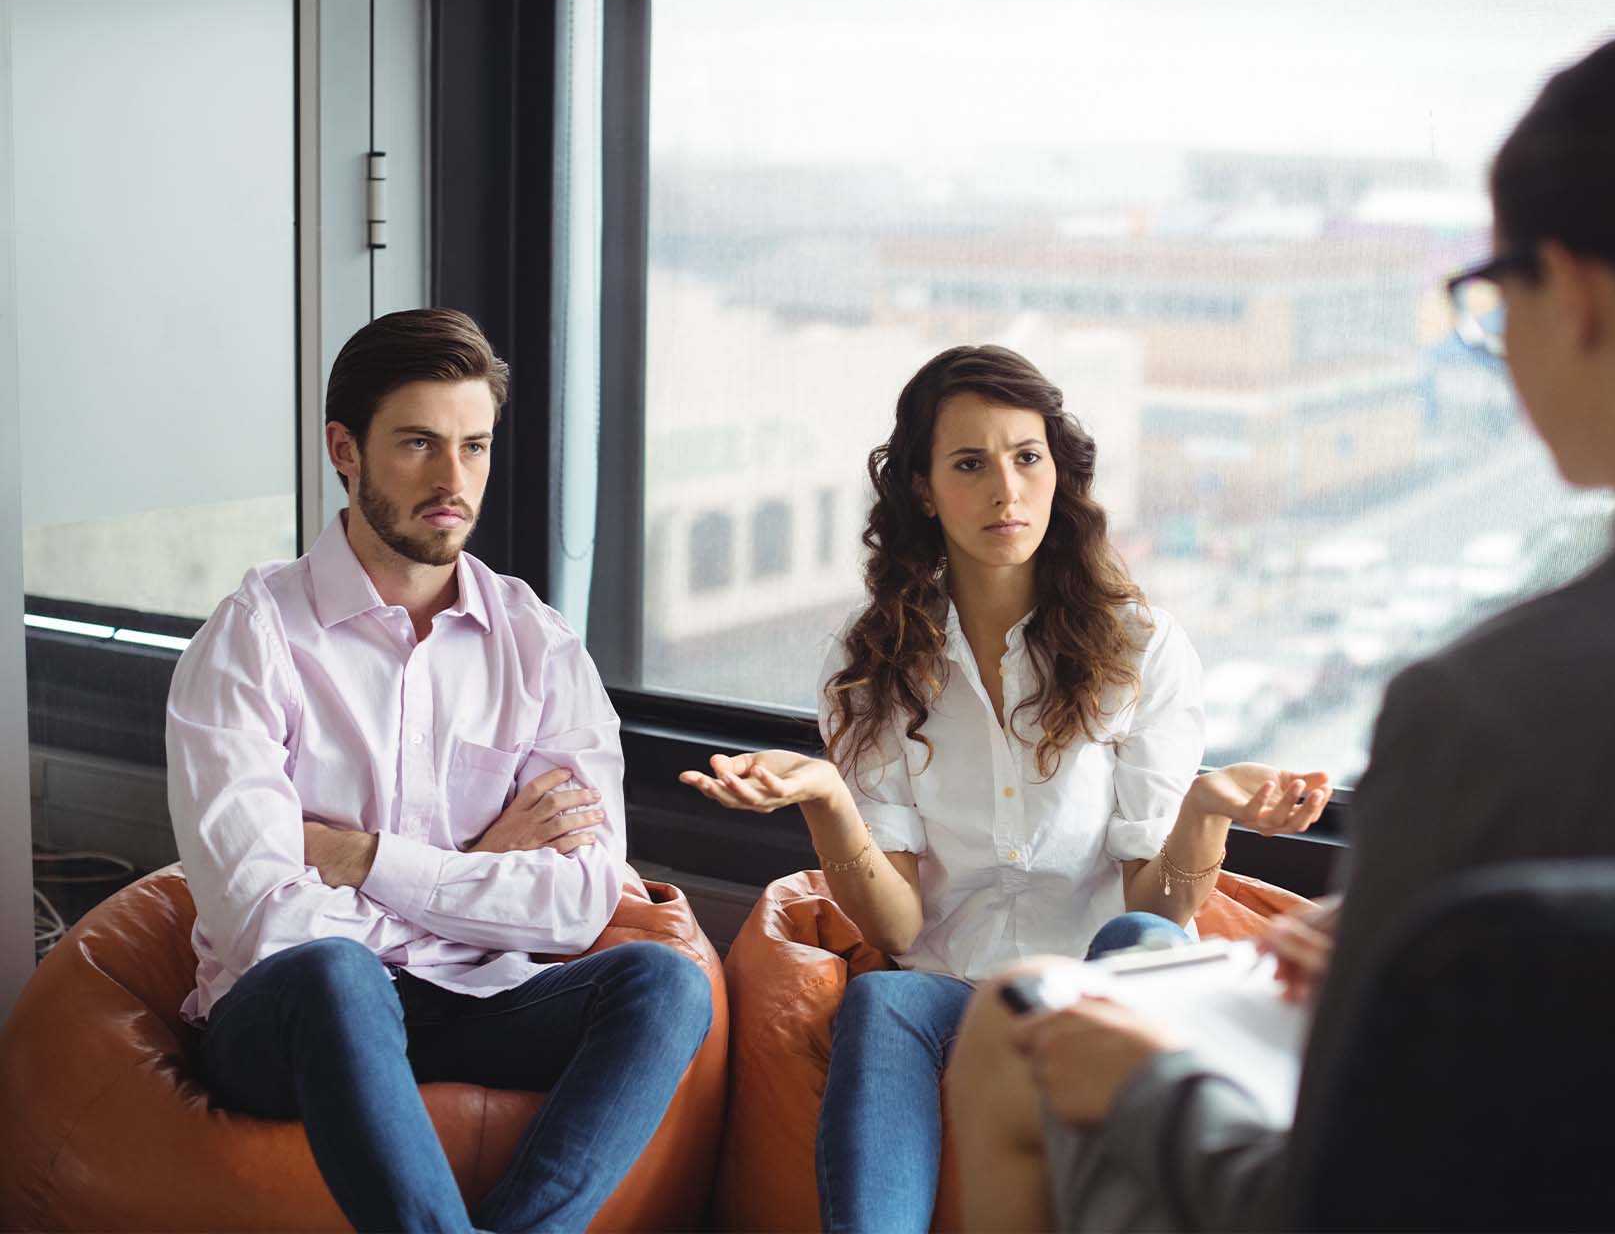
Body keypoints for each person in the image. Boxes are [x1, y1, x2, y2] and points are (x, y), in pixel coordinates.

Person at [947, 28, 1615, 1232]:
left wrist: (1151, 1086)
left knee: (1021, 1023)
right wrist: (1446, 941)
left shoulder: (1491, 708)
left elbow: (1332, 1205)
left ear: (1574, 294)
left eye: (1492, 294)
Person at [678, 344, 1330, 1232]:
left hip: (1095, 977)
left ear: (1058, 471)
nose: (1006, 490)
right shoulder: (870, 662)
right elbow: (900, 929)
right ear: (921, 487)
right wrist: (827, 797)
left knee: (1140, 935)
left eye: (1027, 457)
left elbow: (1157, 911)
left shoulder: (1142, 647)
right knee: (882, 996)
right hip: (946, 984)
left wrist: (1208, 807)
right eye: (969, 463)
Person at [166, 308, 713, 1232]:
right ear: (345, 448)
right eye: (419, 444)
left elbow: (577, 905)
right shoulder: (253, 637)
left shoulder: (534, 643)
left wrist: (366, 857)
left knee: (667, 987)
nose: (453, 481)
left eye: (474, 446)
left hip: (475, 999)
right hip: (294, 1023)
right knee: (337, 974)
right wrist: (480, 860)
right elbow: (268, 925)